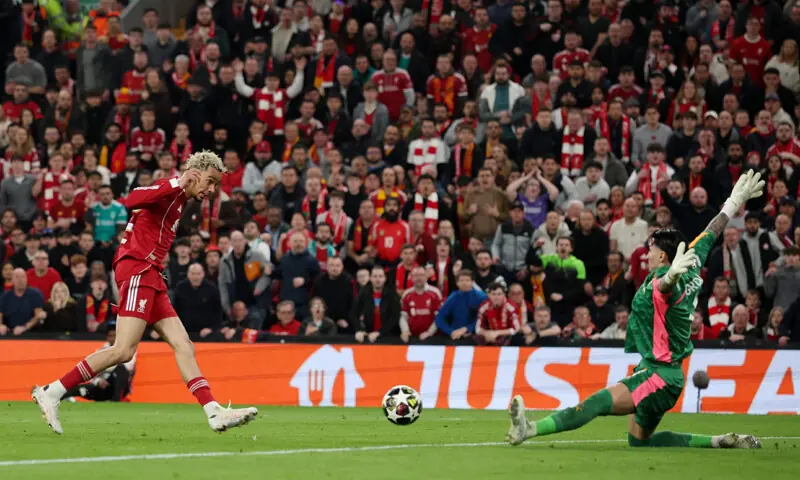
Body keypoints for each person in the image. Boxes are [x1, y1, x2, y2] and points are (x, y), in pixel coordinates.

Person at [506, 170, 765, 449]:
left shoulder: (662, 282)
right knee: (639, 442)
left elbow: (667, 288)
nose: (647, 253)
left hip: (657, 374)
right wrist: (733, 201)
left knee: (595, 404)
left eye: (650, 248)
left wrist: (671, 276)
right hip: (668, 375)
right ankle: (719, 441)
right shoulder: (690, 259)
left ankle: (530, 429)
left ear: (663, 256)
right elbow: (713, 231)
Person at [33, 151, 258, 435]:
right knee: (123, 350)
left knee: (184, 345)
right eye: (210, 181)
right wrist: (177, 182)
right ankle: (52, 392)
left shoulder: (180, 200)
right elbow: (133, 199)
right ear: (195, 173)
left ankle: (213, 412)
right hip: (139, 268)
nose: (212, 190)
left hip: (151, 274)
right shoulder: (171, 190)